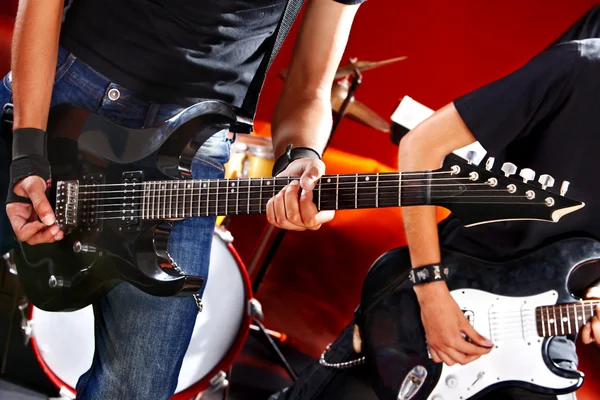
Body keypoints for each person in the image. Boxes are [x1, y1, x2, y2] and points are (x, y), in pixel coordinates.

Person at [1, 0, 365, 398]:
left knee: (137, 386)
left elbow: (311, 85)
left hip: (192, 149)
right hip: (69, 94)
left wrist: (301, 158)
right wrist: (28, 148)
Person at [271, 5, 600, 400]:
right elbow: (420, 146)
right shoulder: (581, 67)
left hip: (540, 337)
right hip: (440, 294)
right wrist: (431, 292)